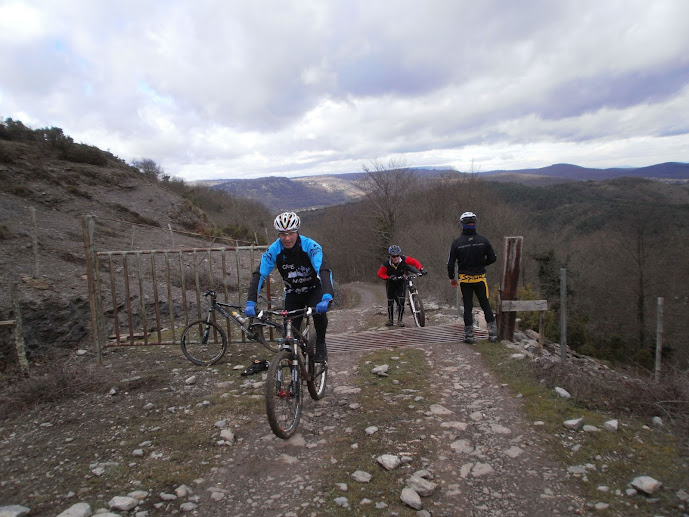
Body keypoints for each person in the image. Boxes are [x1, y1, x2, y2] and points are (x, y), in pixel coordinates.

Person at [244, 212, 334, 363]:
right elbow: (259, 274)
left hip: (314, 289)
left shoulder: (310, 246)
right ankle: (296, 370)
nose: (287, 238)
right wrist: (251, 301)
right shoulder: (274, 249)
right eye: (283, 234)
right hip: (293, 292)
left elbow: (323, 270)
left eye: (291, 233)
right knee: (290, 333)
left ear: (297, 232)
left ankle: (320, 344)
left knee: (319, 316)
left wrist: (327, 296)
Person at [447, 212, 498, 343]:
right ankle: (493, 334)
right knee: (485, 305)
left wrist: (451, 277)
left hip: (465, 280)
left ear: (462, 224)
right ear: (474, 223)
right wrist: (481, 263)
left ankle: (469, 336)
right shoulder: (483, 240)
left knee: (468, 307)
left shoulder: (457, 243)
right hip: (480, 278)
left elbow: (451, 263)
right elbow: (493, 258)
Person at [377, 245, 426, 327]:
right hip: (391, 282)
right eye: (393, 256)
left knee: (401, 301)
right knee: (390, 301)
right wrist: (389, 277)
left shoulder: (404, 259)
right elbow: (380, 274)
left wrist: (421, 269)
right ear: (390, 256)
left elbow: (414, 262)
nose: (396, 258)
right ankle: (390, 320)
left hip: (401, 281)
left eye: (397, 255)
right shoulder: (386, 264)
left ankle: (400, 320)